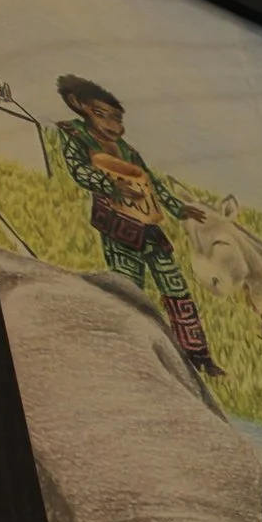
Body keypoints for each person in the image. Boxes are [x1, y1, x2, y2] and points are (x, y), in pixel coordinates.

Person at [53, 76, 221, 376]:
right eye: (101, 114)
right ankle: (130, 351)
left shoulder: (128, 150)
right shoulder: (75, 136)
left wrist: (177, 207)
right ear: (79, 106)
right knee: (129, 290)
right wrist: (110, 185)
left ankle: (197, 355)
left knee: (176, 287)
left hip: (148, 225)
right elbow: (78, 171)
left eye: (116, 118)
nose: (111, 124)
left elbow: (151, 181)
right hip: (117, 226)